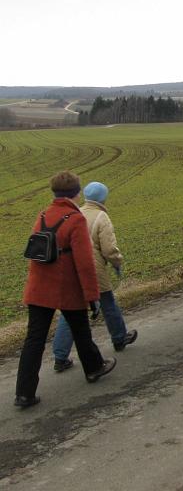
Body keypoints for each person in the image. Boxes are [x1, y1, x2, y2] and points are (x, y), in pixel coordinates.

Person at [15, 171, 116, 408]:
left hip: (39, 287)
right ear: (76, 192)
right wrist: (92, 296)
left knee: (34, 339)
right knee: (81, 330)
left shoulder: (42, 215)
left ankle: (24, 393)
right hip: (66, 286)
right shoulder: (76, 218)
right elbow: (84, 262)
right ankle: (94, 368)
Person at [51, 182, 137, 373]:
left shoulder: (76, 213)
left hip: (73, 269)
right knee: (108, 303)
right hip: (93, 269)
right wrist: (117, 262)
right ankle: (119, 337)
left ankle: (60, 355)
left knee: (71, 312)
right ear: (103, 198)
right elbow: (108, 249)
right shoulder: (101, 216)